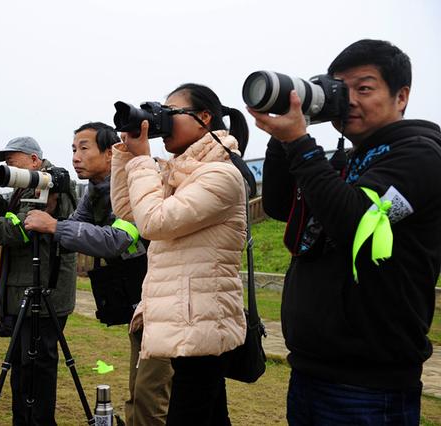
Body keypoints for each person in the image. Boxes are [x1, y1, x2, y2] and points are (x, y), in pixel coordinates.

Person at [249, 39, 441, 425]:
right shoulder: (349, 159)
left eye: (364, 88)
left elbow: (356, 222)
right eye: (340, 89)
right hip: (310, 370)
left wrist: (299, 143)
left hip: (369, 387)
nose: (349, 99)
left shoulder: (422, 156)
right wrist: (280, 137)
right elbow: (281, 207)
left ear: (401, 96)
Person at [111, 83, 250, 425]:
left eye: (171, 114)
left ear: (204, 118)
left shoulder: (222, 174)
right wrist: (126, 156)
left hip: (200, 324)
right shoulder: (180, 172)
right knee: (209, 414)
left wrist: (143, 160)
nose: (164, 123)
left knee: (187, 413)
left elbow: (154, 222)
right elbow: (129, 211)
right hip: (187, 320)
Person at [24, 122, 174, 425]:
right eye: (73, 149)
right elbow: (78, 228)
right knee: (140, 386)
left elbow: (117, 239)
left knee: (151, 391)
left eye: (84, 148)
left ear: (110, 154)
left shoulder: (134, 186)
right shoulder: (93, 192)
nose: (76, 157)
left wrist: (54, 226)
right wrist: (51, 218)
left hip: (163, 299)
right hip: (140, 301)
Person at [0, 136, 77, 425]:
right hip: (24, 290)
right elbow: (9, 216)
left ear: (34, 160)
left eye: (12, 158)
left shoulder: (50, 182)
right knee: (23, 366)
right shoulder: (25, 187)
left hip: (46, 293)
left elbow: (18, 231)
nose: (6, 163)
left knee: (37, 368)